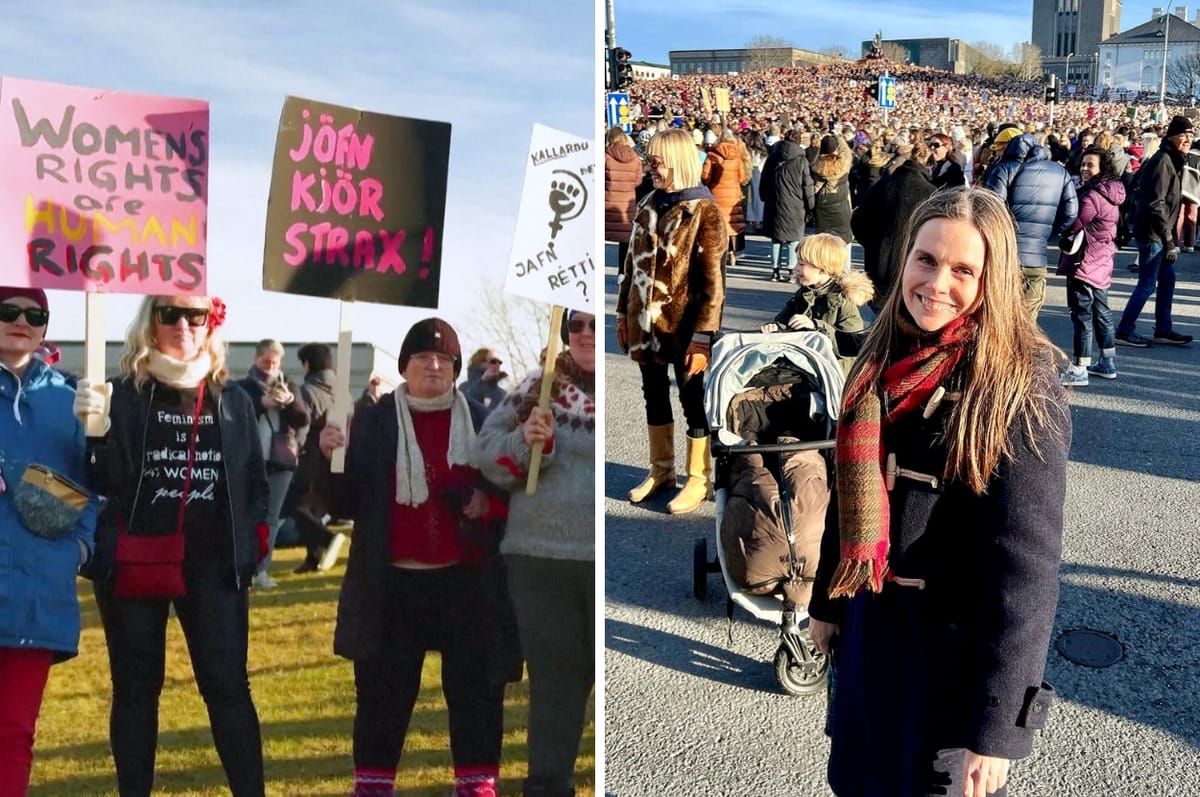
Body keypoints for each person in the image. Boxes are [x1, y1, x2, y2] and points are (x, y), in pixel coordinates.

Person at [808, 187, 1070, 797]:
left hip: (952, 668)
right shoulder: (881, 352)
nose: (937, 283)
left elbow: (1027, 572)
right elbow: (848, 497)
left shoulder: (1019, 387)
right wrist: (826, 600)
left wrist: (997, 730)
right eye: (926, 260)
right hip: (872, 634)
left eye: (963, 270)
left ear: (993, 279)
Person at [74, 294, 269, 797]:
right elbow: (102, 482)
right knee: (137, 691)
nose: (183, 324)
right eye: (170, 314)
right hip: (136, 559)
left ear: (210, 323)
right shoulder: (121, 393)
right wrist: (93, 435)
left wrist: (254, 542)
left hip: (215, 563)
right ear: (151, 322)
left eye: (195, 315)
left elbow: (253, 481)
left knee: (228, 687)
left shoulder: (234, 399)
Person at [318, 318, 513, 797]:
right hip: (392, 581)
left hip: (464, 581)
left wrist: (488, 505)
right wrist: (325, 455)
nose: (434, 365)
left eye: (444, 359)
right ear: (404, 365)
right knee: (383, 695)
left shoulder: (482, 419)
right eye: (424, 357)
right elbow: (340, 502)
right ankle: (373, 784)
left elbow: (511, 490)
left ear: (455, 369)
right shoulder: (373, 421)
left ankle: (475, 783)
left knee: (475, 692)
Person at [472, 309, 596, 797]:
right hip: (538, 558)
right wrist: (525, 444)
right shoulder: (533, 387)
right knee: (555, 684)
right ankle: (547, 786)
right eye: (575, 326)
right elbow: (486, 453)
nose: (585, 333)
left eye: (591, 324)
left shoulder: (619, 377)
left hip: (596, 558)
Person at [0, 287, 98, 795]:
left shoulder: (72, 397)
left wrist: (79, 550)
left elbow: (97, 488)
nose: (21, 321)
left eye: (34, 314)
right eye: (8, 311)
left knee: (15, 733)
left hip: (39, 590)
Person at [616, 127, 727, 514]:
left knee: (692, 399)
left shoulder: (704, 211)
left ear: (677, 162)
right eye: (649, 159)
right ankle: (660, 470)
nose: (651, 167)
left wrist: (703, 337)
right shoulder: (648, 201)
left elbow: (713, 284)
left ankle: (699, 477)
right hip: (645, 323)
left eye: (657, 161)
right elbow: (630, 267)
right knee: (653, 395)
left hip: (684, 326)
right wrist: (621, 313)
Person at [237, 339, 310, 589]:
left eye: (275, 362)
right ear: (256, 358)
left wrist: (289, 401)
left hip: (281, 460)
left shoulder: (288, 384)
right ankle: (243, 570)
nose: (269, 367)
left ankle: (261, 571)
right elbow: (233, 417)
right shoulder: (243, 387)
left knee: (270, 517)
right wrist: (261, 404)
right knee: (246, 515)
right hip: (249, 460)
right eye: (265, 361)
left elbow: (303, 419)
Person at [1117, 115, 1195, 347]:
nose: (1188, 140)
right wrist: (1169, 240)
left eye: (1191, 136)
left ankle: (1163, 328)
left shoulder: (1173, 159)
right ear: (1172, 137)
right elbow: (1155, 204)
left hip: (1160, 233)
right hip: (1154, 234)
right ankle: (1124, 330)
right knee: (1148, 283)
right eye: (1184, 136)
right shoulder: (1163, 161)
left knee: (1167, 281)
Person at [982, 131, 1078, 318]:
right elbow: (1071, 213)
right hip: (1036, 257)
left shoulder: (1004, 169)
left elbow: (992, 210)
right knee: (1027, 320)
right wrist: (1046, 234)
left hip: (1005, 254)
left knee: (998, 317)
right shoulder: (1059, 172)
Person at [1057, 147, 1125, 386]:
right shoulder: (1113, 192)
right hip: (1103, 259)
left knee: (1081, 314)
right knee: (1101, 311)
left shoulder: (1091, 196)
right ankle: (1107, 362)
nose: (1084, 168)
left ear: (1102, 168)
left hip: (1085, 261)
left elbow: (1073, 223)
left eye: (1090, 165)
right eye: (1083, 164)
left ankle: (1079, 368)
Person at [758, 233, 874, 373]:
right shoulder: (804, 292)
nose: (796, 268)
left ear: (822, 268)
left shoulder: (843, 299)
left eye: (801, 264)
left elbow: (852, 341)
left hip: (835, 373)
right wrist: (775, 327)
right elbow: (785, 318)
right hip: (809, 367)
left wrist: (816, 325)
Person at [852, 141, 937, 306]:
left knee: (879, 315)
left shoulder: (883, 185)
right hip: (910, 265)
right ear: (927, 165)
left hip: (879, 262)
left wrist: (872, 245)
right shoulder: (930, 192)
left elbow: (858, 221)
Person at [288, 342, 345, 573]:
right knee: (314, 510)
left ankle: (328, 539)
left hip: (311, 456)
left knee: (294, 505)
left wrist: (295, 449)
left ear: (307, 364)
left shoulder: (308, 391)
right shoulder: (341, 390)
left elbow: (303, 424)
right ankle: (313, 558)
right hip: (335, 456)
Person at [761, 128, 816, 282]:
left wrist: (764, 196)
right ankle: (791, 270)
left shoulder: (773, 156)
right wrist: (811, 205)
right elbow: (807, 184)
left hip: (774, 200)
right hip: (795, 202)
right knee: (793, 238)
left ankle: (775, 270)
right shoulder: (801, 160)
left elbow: (764, 179)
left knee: (776, 237)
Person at [701, 126, 750, 263]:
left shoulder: (712, 156)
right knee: (732, 223)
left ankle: (719, 253)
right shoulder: (737, 157)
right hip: (733, 193)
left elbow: (705, 176)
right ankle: (732, 254)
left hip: (716, 193)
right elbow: (742, 177)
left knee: (718, 223)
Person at [605, 125, 643, 274]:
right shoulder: (635, 159)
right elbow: (638, 182)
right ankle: (623, 272)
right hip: (627, 204)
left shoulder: (605, 157)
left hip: (607, 204)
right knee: (625, 241)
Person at [811, 134, 855, 247]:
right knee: (844, 236)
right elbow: (845, 150)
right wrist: (838, 137)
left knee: (823, 239)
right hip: (841, 202)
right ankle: (843, 263)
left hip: (823, 204)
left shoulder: (818, 166)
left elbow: (815, 188)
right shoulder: (844, 162)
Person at [460, 347, 508, 413]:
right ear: (479, 363)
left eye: (499, 362)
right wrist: (482, 381)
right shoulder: (464, 387)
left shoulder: (503, 394)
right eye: (493, 361)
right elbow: (466, 406)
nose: (497, 365)